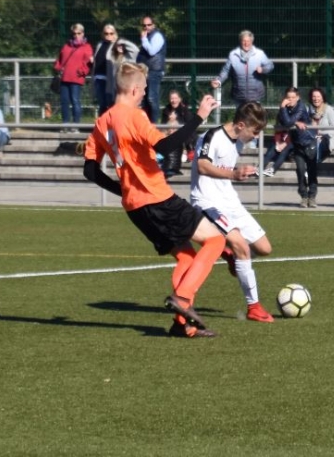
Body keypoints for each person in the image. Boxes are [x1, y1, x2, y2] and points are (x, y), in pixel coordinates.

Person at [83, 61, 226, 338]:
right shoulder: (134, 116)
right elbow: (166, 145)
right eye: (144, 89)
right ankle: (182, 299)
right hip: (158, 199)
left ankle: (182, 325)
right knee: (216, 241)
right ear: (134, 90)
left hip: (136, 209)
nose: (144, 94)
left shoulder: (102, 122)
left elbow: (90, 170)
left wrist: (123, 189)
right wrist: (199, 116)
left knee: (186, 257)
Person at [190, 101, 275, 323]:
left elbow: (225, 169)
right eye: (254, 131)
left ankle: (230, 255)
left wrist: (239, 172)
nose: (256, 136)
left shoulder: (237, 141)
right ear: (240, 125)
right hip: (208, 203)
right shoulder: (212, 137)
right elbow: (202, 166)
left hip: (231, 203)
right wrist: (233, 174)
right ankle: (254, 307)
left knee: (264, 248)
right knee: (242, 246)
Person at [211, 30, 275, 110]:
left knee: (253, 117)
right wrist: (219, 81)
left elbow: (270, 66)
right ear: (240, 41)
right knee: (240, 117)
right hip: (239, 95)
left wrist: (263, 69)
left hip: (255, 95)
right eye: (244, 41)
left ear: (252, 41)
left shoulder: (260, 54)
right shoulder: (233, 55)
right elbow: (226, 71)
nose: (246, 43)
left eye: (248, 41)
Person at [276, 87, 318, 208]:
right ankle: (304, 196)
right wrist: (293, 120)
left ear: (298, 98)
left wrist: (286, 114)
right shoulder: (286, 108)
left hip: (309, 142)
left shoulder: (301, 107)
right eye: (288, 97)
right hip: (297, 144)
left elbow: (288, 122)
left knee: (312, 171)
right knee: (300, 170)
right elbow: (281, 121)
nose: (290, 100)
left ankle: (312, 197)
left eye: (293, 97)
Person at [53, 23, 94, 132]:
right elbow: (59, 59)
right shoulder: (66, 46)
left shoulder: (87, 47)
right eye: (74, 33)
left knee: (75, 101)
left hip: (76, 78)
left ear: (83, 33)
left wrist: (81, 71)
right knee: (64, 102)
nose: (76, 35)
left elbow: (88, 63)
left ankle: (76, 125)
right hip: (64, 77)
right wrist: (58, 67)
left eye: (79, 33)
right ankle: (65, 124)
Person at [136, 16, 167, 123]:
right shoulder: (147, 37)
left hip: (154, 71)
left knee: (152, 98)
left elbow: (152, 51)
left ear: (153, 25)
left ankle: (154, 124)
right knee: (144, 100)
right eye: (144, 25)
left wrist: (144, 39)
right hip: (144, 71)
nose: (146, 27)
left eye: (149, 25)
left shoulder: (157, 36)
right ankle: (146, 124)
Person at [159, 90, 194, 178]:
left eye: (175, 98)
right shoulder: (166, 110)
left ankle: (186, 151)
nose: (173, 100)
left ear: (179, 99)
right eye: (172, 98)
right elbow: (163, 126)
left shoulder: (184, 111)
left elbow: (189, 126)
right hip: (168, 134)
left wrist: (175, 122)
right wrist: (170, 122)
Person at [305, 87, 334, 164]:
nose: (316, 99)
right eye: (314, 96)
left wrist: (322, 134)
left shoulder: (329, 109)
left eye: (318, 96)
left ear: (322, 98)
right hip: (312, 138)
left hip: (326, 139)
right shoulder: (308, 110)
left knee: (317, 146)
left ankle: (315, 165)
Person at [90, 24, 119, 114]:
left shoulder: (117, 45)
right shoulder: (100, 44)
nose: (108, 35)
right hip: (99, 76)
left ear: (114, 34)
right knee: (102, 102)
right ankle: (102, 121)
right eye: (106, 33)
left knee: (111, 101)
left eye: (111, 33)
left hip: (111, 78)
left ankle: (112, 120)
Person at [106, 38, 140, 111]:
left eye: (122, 46)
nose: (120, 47)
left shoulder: (129, 57)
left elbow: (136, 50)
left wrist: (124, 42)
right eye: (118, 46)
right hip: (117, 86)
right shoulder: (114, 58)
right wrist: (113, 43)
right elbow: (107, 56)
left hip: (128, 86)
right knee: (117, 104)